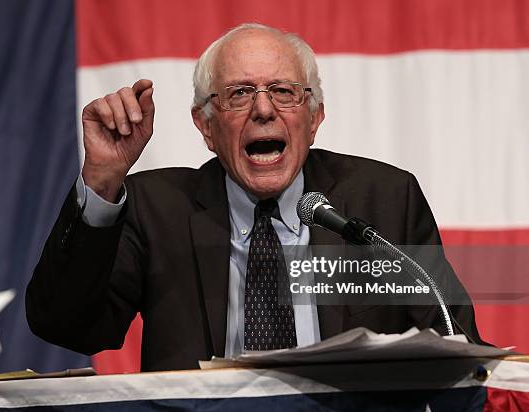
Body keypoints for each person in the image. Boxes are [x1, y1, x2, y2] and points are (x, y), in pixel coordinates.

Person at [26, 23, 485, 372]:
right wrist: (103, 181)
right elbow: (66, 324)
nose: (263, 109)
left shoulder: (382, 201)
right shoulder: (156, 208)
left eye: (283, 92)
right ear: (206, 125)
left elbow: (458, 346)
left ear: (314, 118)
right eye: (240, 93)